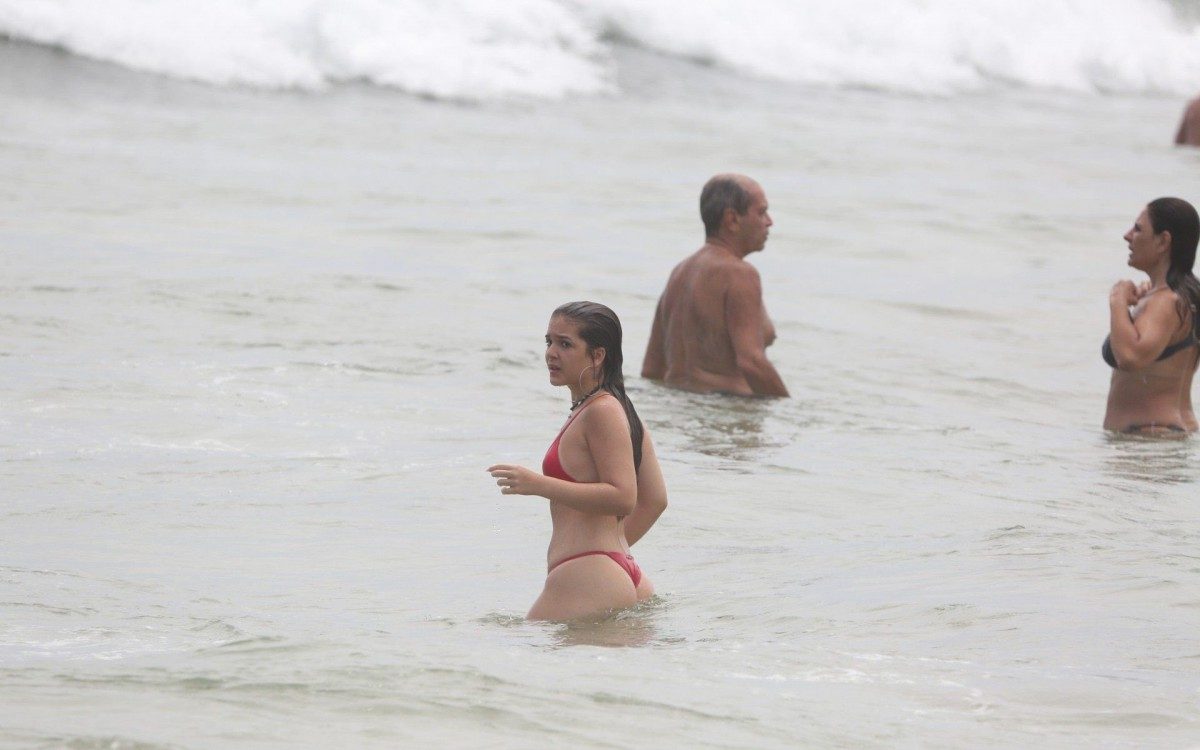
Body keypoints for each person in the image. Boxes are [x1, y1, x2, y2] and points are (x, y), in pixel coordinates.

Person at [488, 301, 668, 621]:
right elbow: (655, 500)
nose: (551, 353)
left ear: (597, 355)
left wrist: (539, 485)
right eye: (549, 342)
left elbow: (624, 496)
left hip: (588, 575)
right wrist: (612, 553)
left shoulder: (601, 411)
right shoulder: (620, 410)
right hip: (611, 570)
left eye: (566, 344)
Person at [641, 173, 789, 397]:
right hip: (726, 412)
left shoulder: (680, 272)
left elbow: (652, 370)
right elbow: (752, 362)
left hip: (679, 408)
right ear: (732, 220)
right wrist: (789, 410)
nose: (769, 221)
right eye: (761, 212)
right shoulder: (740, 273)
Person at [1102, 197, 1200, 435]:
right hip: (1165, 437)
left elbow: (1130, 357)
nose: (1127, 235)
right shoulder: (1186, 297)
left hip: (1149, 442)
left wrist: (1117, 300)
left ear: (1163, 241)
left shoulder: (1166, 302)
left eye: (1138, 229)